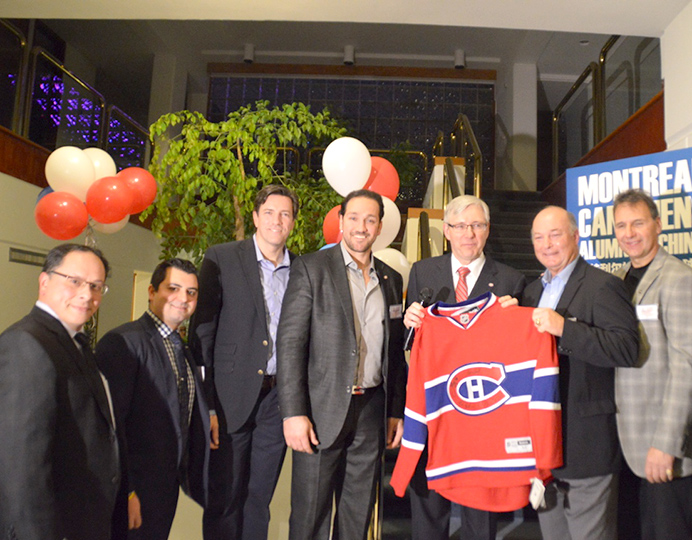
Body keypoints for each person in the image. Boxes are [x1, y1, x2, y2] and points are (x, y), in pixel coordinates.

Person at [277, 189, 406, 540]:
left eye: (370, 219)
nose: (361, 227)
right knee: (310, 517)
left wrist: (395, 409)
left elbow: (395, 353)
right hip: (320, 411)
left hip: (371, 411)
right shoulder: (310, 268)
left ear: (380, 227)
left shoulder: (391, 280)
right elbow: (290, 345)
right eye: (353, 218)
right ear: (340, 221)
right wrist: (293, 413)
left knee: (357, 512)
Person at [401, 194, 526, 540]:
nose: (468, 233)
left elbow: (521, 355)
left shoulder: (511, 280)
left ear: (487, 231)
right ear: (447, 231)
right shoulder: (423, 272)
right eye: (460, 226)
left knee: (479, 511)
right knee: (427, 505)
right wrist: (409, 323)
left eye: (477, 225)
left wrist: (515, 319)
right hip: (435, 405)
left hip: (482, 411)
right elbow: (410, 343)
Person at [521, 206, 638, 540]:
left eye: (555, 234)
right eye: (538, 237)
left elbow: (626, 349)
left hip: (586, 446)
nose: (547, 244)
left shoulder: (603, 286)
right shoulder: (530, 293)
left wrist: (565, 330)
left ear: (575, 236)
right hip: (543, 447)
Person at [190, 184, 298, 539]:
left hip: (276, 400)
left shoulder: (301, 269)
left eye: (284, 214)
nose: (276, 221)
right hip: (229, 396)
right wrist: (206, 403)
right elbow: (202, 332)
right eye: (269, 212)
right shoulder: (221, 257)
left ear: (293, 222)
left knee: (258, 498)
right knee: (225, 496)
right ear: (255, 217)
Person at [0, 243, 120, 540]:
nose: (86, 294)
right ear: (44, 282)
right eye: (74, 281)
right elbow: (21, 465)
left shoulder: (74, 341)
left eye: (96, 286)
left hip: (83, 518)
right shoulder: (26, 344)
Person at [612, 189, 692, 540]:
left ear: (658, 224)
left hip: (661, 448)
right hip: (623, 445)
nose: (629, 233)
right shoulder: (618, 280)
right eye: (621, 225)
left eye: (638, 223)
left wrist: (666, 443)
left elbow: (687, 368)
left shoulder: (680, 279)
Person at [96, 258, 211, 539]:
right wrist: (128, 491)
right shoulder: (123, 343)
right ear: (151, 291)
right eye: (173, 288)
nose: (182, 298)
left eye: (191, 292)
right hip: (132, 491)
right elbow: (109, 427)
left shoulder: (181, 347)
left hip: (164, 488)